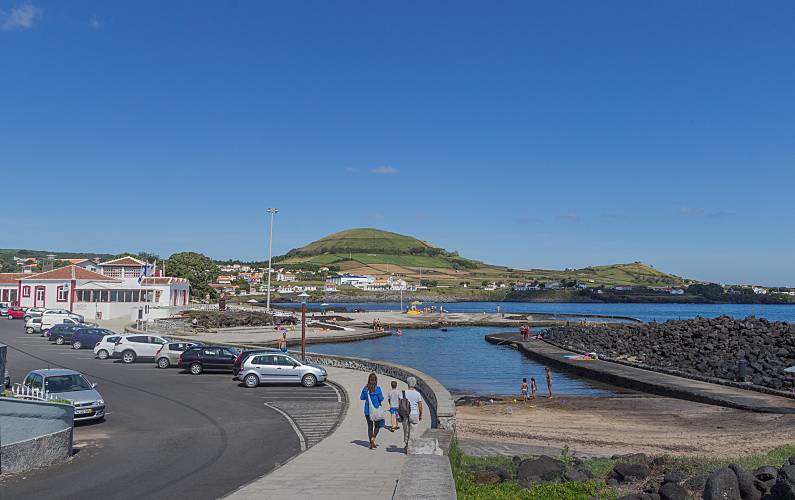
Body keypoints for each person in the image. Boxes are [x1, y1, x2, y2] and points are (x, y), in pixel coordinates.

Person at [360, 373, 385, 449]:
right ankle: (373, 438)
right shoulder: (378, 389)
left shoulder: (365, 389)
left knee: (370, 427)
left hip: (368, 411)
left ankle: (371, 443)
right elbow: (381, 399)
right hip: (376, 410)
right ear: (376, 380)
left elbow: (362, 398)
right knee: (377, 426)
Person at [400, 377, 423, 454]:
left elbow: (400, 404)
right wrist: (420, 415)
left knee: (406, 431)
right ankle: (411, 448)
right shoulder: (417, 394)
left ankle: (407, 446)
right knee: (413, 431)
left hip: (405, 414)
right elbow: (420, 406)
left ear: (407, 384)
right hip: (414, 414)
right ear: (415, 384)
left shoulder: (403, 393)